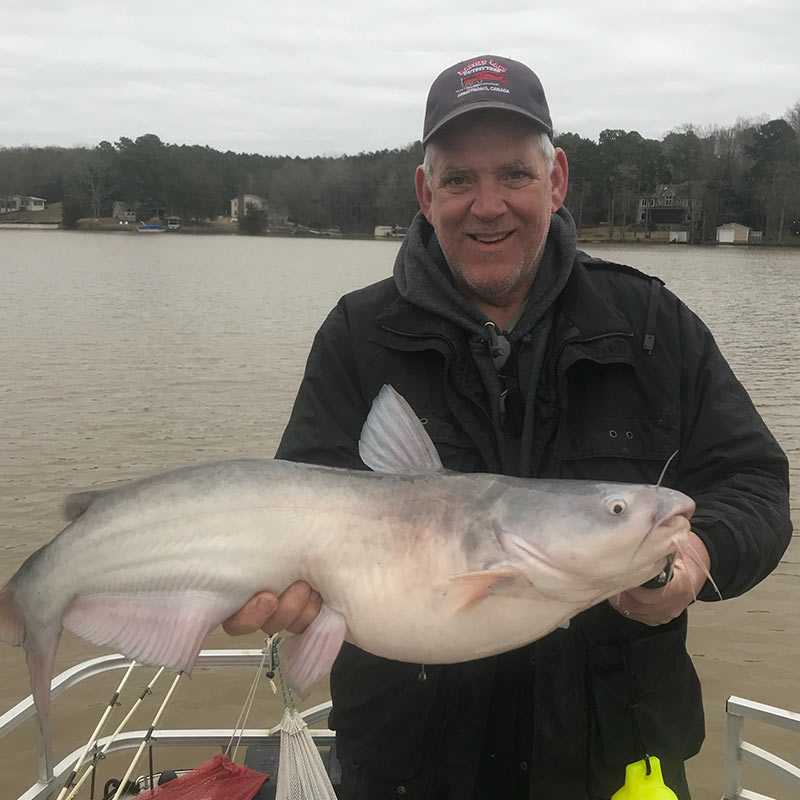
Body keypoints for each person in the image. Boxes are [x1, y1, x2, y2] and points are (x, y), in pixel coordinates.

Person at [223, 55, 792, 799]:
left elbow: (756, 483)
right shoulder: (358, 337)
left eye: (515, 175)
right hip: (410, 775)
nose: (487, 205)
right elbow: (293, 509)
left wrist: (696, 559)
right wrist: (284, 592)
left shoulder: (652, 325)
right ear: (427, 193)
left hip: (617, 769)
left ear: (556, 180)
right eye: (459, 179)